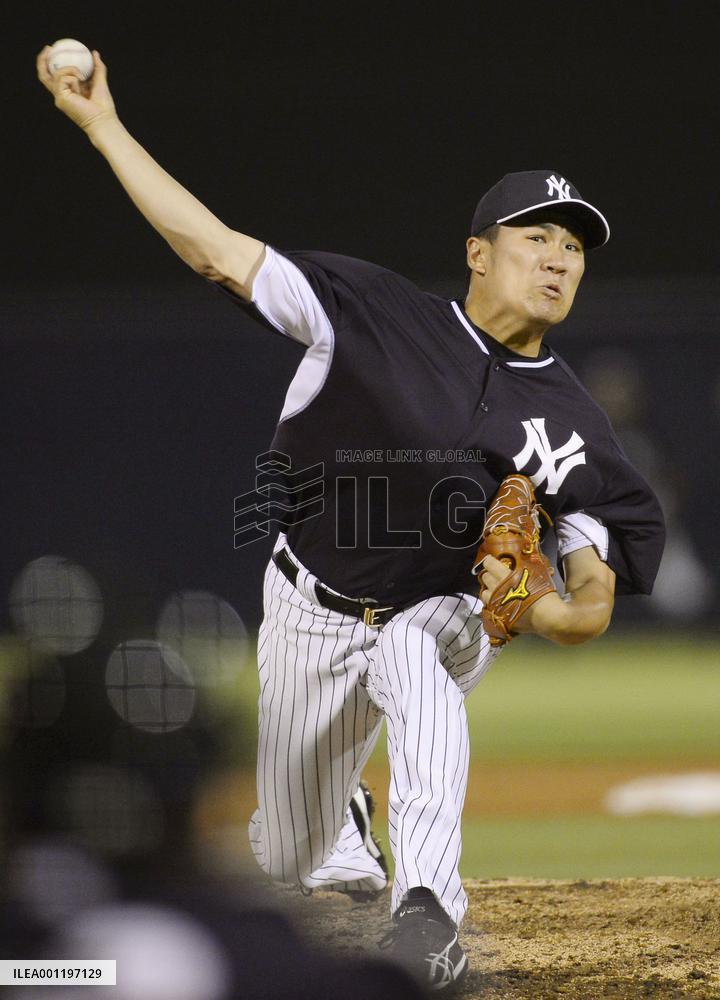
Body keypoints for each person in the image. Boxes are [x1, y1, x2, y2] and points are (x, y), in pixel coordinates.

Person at [37, 48, 665, 992]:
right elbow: (213, 247)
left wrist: (555, 614)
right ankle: (340, 823)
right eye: (537, 236)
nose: (558, 259)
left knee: (417, 649)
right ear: (478, 252)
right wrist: (102, 128)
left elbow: (592, 579)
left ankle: (430, 917)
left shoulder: (573, 421)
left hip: (439, 613)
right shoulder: (368, 313)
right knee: (291, 854)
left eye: (574, 248)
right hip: (308, 607)